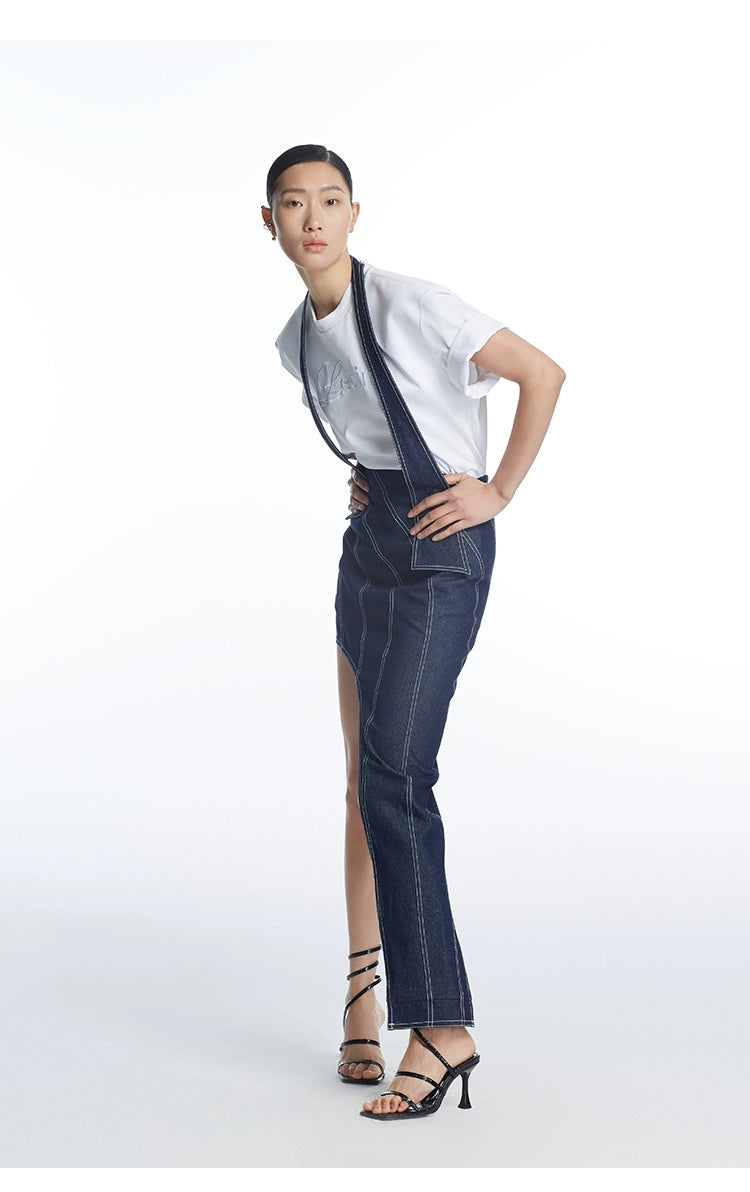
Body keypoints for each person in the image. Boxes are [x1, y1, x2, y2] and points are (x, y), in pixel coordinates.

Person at [262, 144, 565, 1120]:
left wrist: (497, 491)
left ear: (355, 213)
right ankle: (364, 1002)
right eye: (294, 203)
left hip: (443, 544)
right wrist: (367, 482)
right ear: (269, 223)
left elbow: (543, 373)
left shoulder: (412, 303)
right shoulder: (294, 340)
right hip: (368, 550)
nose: (314, 218)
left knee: (398, 776)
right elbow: (370, 430)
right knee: (364, 782)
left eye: (331, 200)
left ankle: (441, 1026)